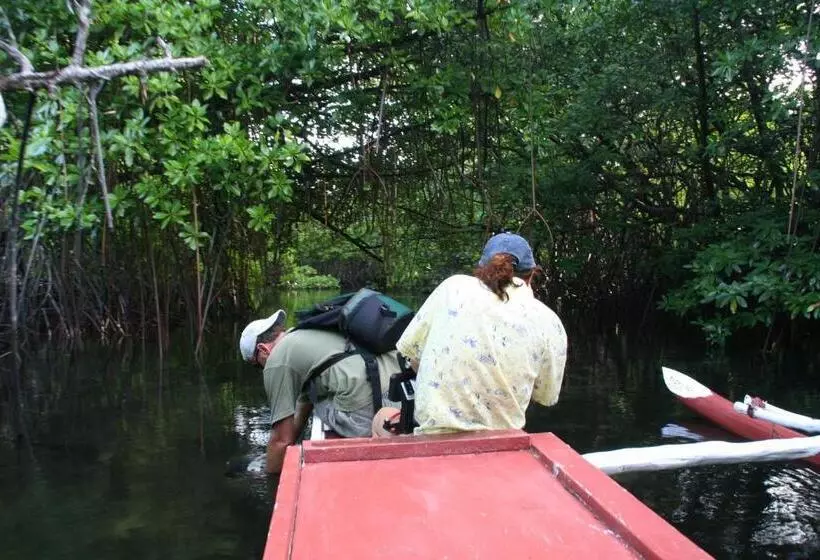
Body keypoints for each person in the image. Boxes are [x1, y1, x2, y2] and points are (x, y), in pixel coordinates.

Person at [373, 232, 567, 436]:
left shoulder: (453, 287)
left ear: (482, 269)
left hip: (434, 436)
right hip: (505, 440)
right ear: (532, 275)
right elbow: (545, 396)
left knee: (382, 416)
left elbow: (412, 356)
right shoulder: (551, 322)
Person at [240, 309, 401, 473]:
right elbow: (300, 414)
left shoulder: (276, 360)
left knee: (317, 397)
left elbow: (281, 439)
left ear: (263, 349)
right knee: (314, 392)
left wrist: (267, 474)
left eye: (257, 365)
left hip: (365, 417)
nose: (262, 369)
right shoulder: (306, 333)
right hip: (401, 393)